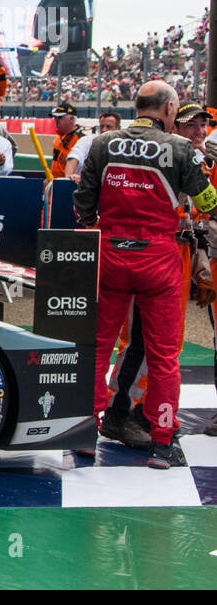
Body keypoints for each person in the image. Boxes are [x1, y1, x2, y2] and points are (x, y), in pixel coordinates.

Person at [74, 81, 216, 469]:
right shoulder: (182, 148)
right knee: (164, 354)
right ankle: (162, 441)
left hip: (111, 253)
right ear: (169, 108)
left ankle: (85, 431)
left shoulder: (103, 143)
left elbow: (82, 201)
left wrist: (96, 224)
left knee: (99, 346)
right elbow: (208, 202)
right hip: (159, 258)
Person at [65, 111, 121, 183]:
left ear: (118, 128)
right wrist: (69, 177)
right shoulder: (87, 141)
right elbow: (74, 157)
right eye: (101, 126)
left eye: (108, 127)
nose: (104, 130)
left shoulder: (122, 146)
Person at [48, 102, 82, 180]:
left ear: (71, 119)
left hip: (69, 184)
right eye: (55, 117)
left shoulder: (80, 140)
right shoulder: (57, 139)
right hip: (54, 182)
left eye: (60, 117)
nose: (56, 120)